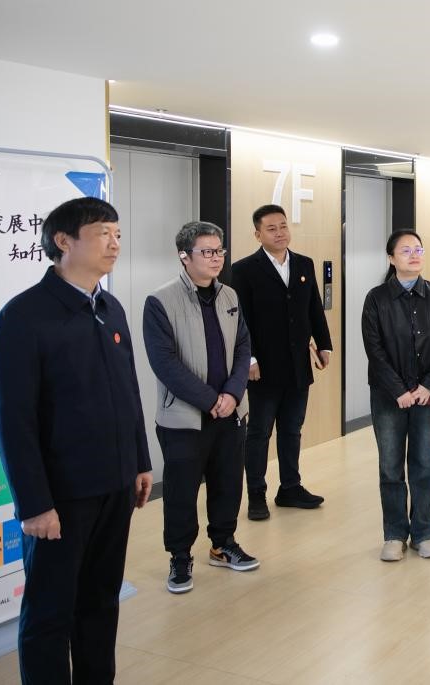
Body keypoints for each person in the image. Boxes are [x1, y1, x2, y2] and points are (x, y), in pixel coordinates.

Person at [0, 197, 153, 685]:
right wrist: (35, 504)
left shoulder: (109, 307)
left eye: (117, 234)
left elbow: (129, 392)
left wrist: (140, 461)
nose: (115, 244)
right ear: (63, 241)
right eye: (103, 233)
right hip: (61, 498)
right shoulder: (23, 317)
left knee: (101, 604)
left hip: (115, 485)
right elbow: (12, 420)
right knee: (49, 614)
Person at [143, 221, 258, 595]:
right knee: (181, 492)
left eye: (219, 250)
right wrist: (211, 400)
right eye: (207, 251)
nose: (216, 258)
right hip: (184, 417)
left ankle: (223, 545)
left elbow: (243, 348)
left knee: (228, 483)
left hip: (230, 411)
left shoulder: (229, 296)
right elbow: (165, 363)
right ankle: (180, 556)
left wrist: (232, 394)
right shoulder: (160, 301)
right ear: (184, 256)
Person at [230, 204, 333, 521]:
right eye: (271, 228)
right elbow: (241, 320)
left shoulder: (304, 263)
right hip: (262, 368)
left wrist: (324, 344)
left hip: (298, 364)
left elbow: (314, 307)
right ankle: (256, 494)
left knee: (292, 429)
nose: (279, 233)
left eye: (283, 226)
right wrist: (249, 358)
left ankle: (290, 487)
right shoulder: (244, 270)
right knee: (259, 433)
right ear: (257, 234)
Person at [361, 230, 430, 561]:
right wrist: (398, 389)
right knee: (390, 467)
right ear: (391, 258)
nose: (414, 255)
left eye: (418, 249)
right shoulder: (376, 298)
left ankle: (424, 532)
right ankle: (395, 534)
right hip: (388, 396)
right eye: (405, 251)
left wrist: (428, 385)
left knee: (424, 465)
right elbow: (374, 349)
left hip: (427, 394)